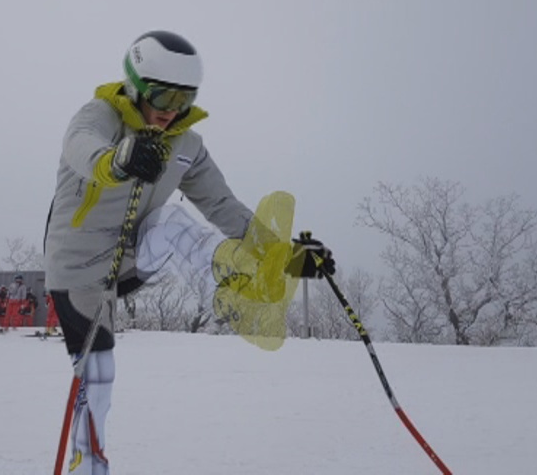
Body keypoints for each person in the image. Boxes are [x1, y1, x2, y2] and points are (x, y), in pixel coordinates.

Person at [43, 30, 334, 474]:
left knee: (170, 222)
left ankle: (238, 285)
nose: (169, 111)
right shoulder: (100, 115)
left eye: (183, 99)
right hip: (78, 271)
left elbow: (222, 205)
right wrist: (120, 159)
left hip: (132, 258)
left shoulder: (186, 146)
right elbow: (81, 146)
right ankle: (89, 468)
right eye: (161, 96)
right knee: (98, 384)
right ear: (136, 85)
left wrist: (284, 256)